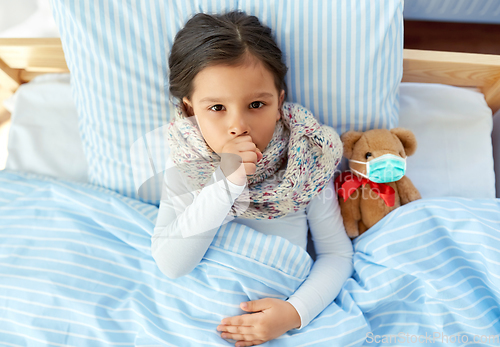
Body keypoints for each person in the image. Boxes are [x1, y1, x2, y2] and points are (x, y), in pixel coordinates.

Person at [151, 10, 353, 347]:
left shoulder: (304, 159)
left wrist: (293, 313)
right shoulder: (186, 162)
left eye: (256, 104)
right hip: (196, 319)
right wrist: (225, 184)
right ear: (190, 111)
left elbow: (336, 254)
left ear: (279, 103)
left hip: (279, 323)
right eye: (217, 108)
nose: (239, 125)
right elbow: (171, 264)